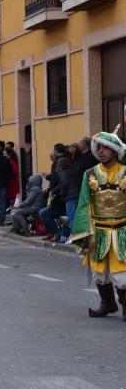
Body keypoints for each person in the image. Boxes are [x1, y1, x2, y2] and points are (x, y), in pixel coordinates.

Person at [70, 128, 126, 321]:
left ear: (115, 150)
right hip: (100, 231)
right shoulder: (90, 174)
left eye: (105, 148)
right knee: (100, 272)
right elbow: (85, 204)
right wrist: (84, 231)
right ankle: (107, 303)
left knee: (122, 274)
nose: (101, 151)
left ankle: (125, 305)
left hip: (122, 230)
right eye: (98, 147)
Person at [65, 137, 98, 229]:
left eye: (80, 142)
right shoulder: (82, 157)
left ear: (85, 144)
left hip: (82, 189)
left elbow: (88, 174)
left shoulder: (90, 157)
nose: (78, 144)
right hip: (79, 189)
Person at [38, 157, 71, 241]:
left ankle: (55, 233)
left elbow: (62, 189)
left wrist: (54, 196)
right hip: (62, 203)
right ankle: (52, 232)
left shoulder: (63, 174)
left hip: (63, 204)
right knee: (43, 212)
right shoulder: (67, 174)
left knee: (43, 213)